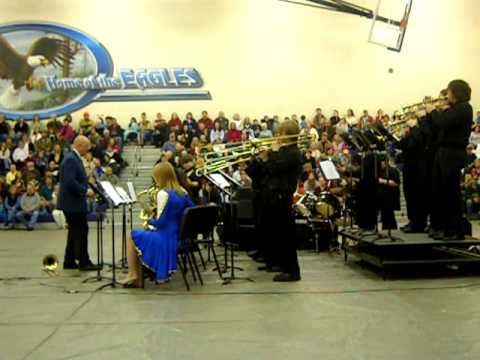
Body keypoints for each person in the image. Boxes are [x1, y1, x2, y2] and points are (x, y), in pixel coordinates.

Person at [120, 162, 194, 288]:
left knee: (132, 236)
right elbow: (189, 211)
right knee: (141, 235)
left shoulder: (163, 193)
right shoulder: (183, 191)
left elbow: (161, 223)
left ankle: (134, 275)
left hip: (167, 238)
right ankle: (137, 276)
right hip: (181, 236)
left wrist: (149, 220)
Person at [426, 80, 473, 240]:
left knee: (450, 193)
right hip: (443, 151)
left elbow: (443, 123)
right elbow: (438, 127)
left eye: (449, 92)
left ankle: (455, 230)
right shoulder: (453, 109)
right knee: (438, 191)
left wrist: (433, 111)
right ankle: (442, 227)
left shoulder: (464, 108)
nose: (447, 95)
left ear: (457, 93)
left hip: (453, 153)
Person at [261, 120, 303, 282]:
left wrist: (273, 153)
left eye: (281, 133)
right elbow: (271, 171)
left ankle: (292, 271)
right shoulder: (286, 151)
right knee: (280, 233)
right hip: (276, 195)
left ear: (288, 134)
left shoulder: (293, 153)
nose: (278, 136)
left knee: (286, 235)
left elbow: (276, 168)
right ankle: (284, 266)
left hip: (283, 196)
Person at [58, 135, 99, 271]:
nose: (88, 150)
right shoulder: (71, 159)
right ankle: (83, 262)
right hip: (72, 203)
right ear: (79, 145)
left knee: (74, 232)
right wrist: (85, 191)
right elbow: (69, 181)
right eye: (87, 147)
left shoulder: (73, 158)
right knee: (81, 231)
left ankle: (69, 261)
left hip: (72, 202)